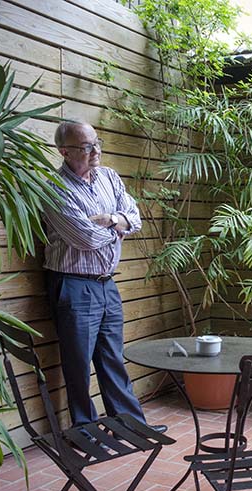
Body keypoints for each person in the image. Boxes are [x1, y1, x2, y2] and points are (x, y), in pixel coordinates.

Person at [43, 120, 166, 435]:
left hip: (106, 282)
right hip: (73, 284)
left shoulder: (109, 177)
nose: (96, 150)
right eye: (86, 147)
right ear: (65, 152)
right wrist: (118, 230)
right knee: (78, 362)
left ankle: (130, 424)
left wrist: (112, 219)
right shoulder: (56, 188)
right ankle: (85, 430)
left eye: (97, 142)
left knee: (112, 356)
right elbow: (85, 238)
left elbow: (133, 216)